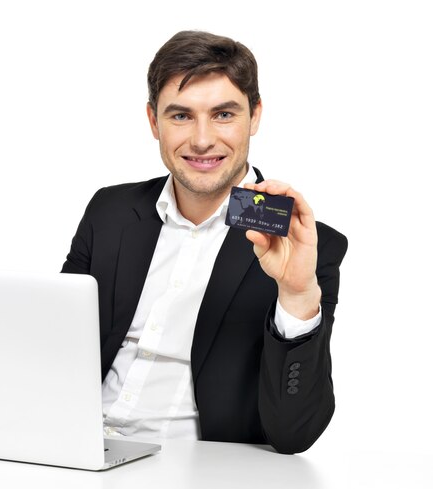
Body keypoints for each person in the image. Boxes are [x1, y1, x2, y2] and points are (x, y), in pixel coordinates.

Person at [61, 30, 347, 454]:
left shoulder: (303, 243)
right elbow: (53, 348)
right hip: (74, 448)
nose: (201, 139)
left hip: (194, 467)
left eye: (223, 115)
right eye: (180, 116)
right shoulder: (111, 211)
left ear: (256, 115)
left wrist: (298, 293)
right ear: (153, 121)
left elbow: (294, 434)